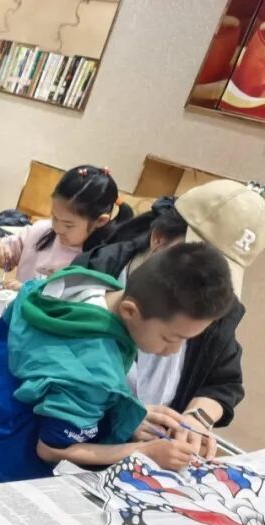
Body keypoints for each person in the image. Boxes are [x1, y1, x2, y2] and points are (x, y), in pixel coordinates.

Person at [0, 242, 236, 486]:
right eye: (170, 338)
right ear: (130, 311)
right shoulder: (94, 371)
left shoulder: (80, 284)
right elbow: (52, 449)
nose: (173, 351)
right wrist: (144, 451)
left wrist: (125, 412)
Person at [75, 181, 265, 452]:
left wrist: (195, 419)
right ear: (159, 239)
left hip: (151, 459)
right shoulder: (88, 283)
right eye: (197, 260)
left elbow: (223, 382)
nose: (206, 283)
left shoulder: (213, 303)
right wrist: (119, 419)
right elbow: (48, 383)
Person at [0, 165, 132, 287]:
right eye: (55, 217)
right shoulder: (42, 231)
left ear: (100, 221)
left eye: (68, 225)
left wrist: (27, 292)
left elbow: (82, 305)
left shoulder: (103, 260)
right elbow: (9, 251)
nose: (58, 229)